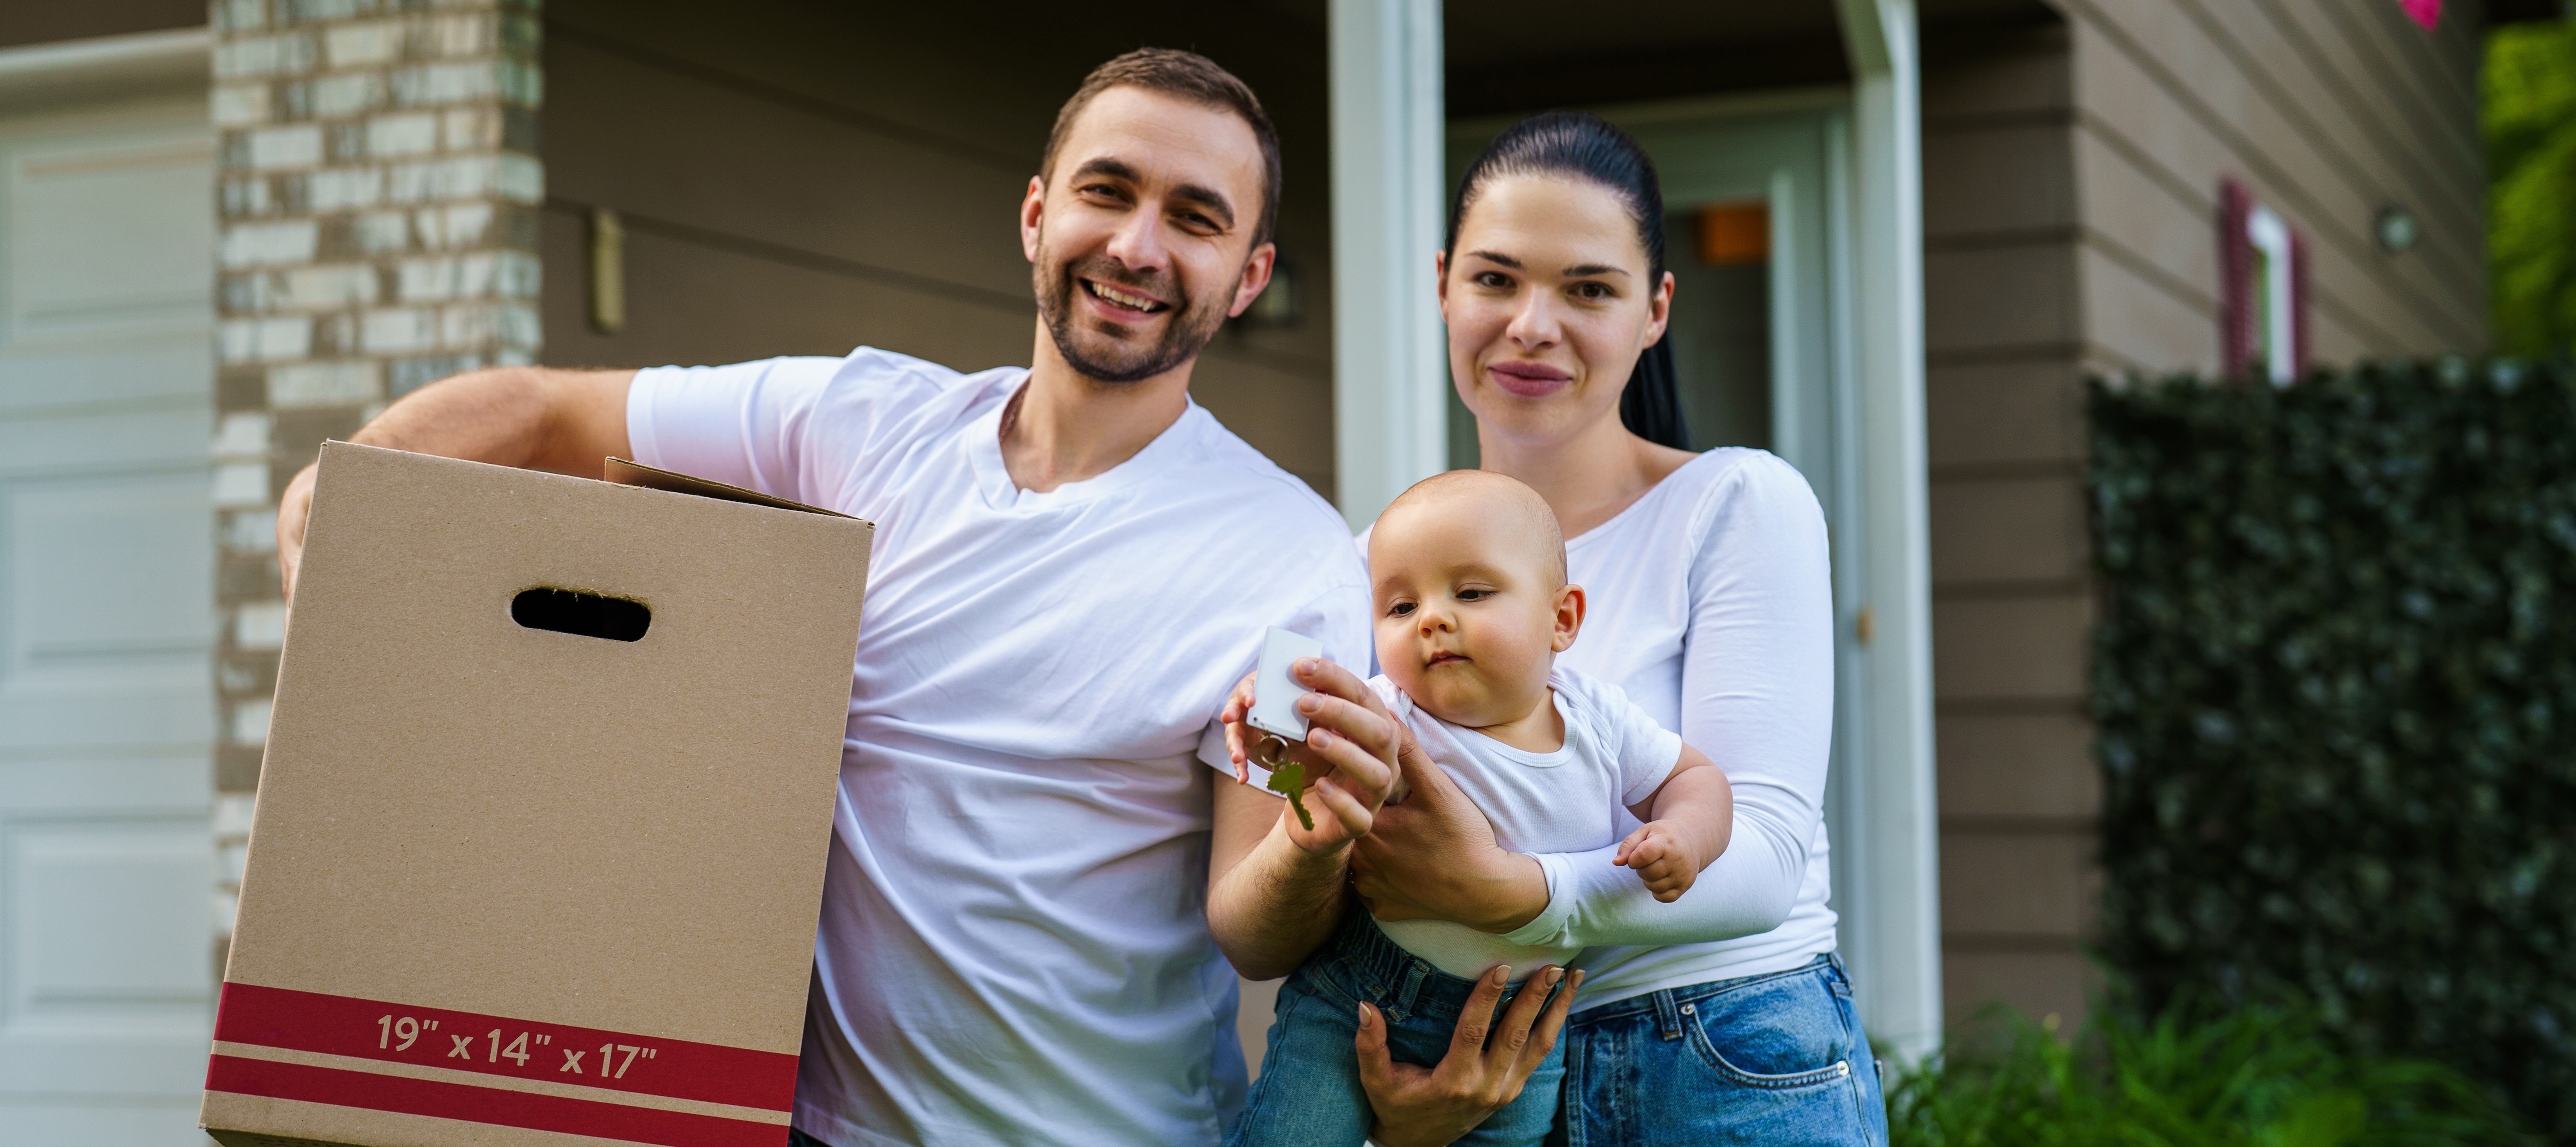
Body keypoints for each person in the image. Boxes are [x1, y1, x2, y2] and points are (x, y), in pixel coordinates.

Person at [272, 49, 1568, 1147]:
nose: (1136, 245)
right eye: (1105, 193)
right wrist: (350, 498)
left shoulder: (1289, 558)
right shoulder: (860, 421)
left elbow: (1253, 925)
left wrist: (1310, 836)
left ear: (1245, 273)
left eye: (1194, 215)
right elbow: (553, 407)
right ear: (1033, 215)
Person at [1261, 112, 1891, 1145]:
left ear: (1655, 310)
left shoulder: (1737, 503)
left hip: (1719, 1049)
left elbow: (1764, 856)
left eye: (1587, 289)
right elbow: (1309, 876)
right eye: (1495, 280)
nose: (1530, 325)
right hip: (1480, 1058)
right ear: (1441, 286)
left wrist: (1515, 893)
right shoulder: (1372, 568)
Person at [1220, 470, 1734, 1147]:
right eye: (1401, 608)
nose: (1432, 617)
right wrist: (1273, 704)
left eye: (1471, 592)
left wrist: (1685, 836)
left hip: (1520, 1021)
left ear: (1563, 618)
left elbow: (1697, 778)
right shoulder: (1392, 711)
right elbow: (1310, 719)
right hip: (1360, 997)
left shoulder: (1599, 720)